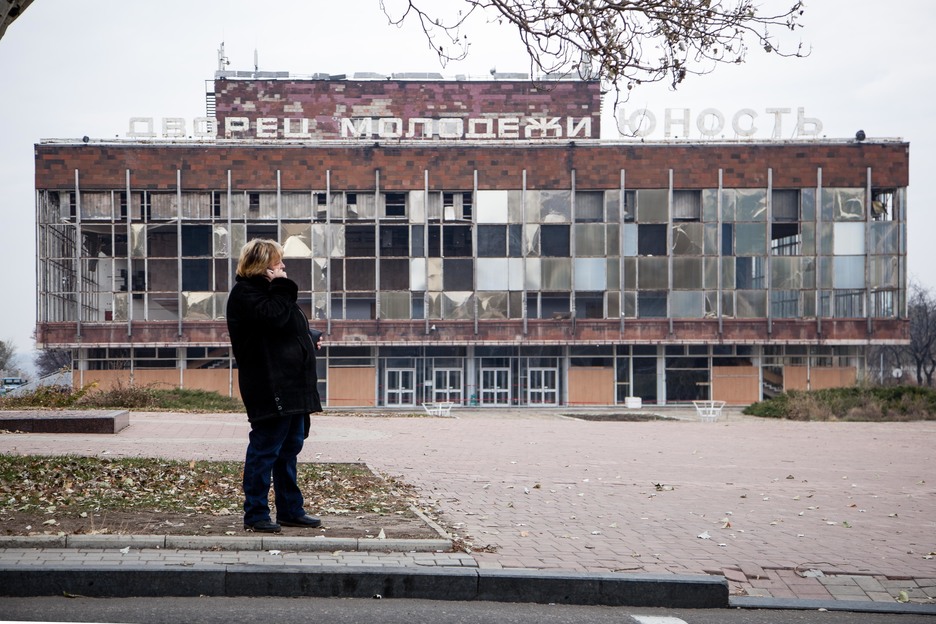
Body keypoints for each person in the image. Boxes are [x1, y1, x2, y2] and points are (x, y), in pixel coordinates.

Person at [226, 238, 323, 533]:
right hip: (271, 386)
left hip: (291, 385)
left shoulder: (268, 293)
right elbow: (274, 319)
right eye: (277, 263)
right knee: (265, 449)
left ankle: (290, 509)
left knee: (289, 448)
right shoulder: (246, 294)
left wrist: (309, 336)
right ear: (263, 267)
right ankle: (255, 513)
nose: (283, 267)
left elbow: (284, 327)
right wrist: (282, 286)